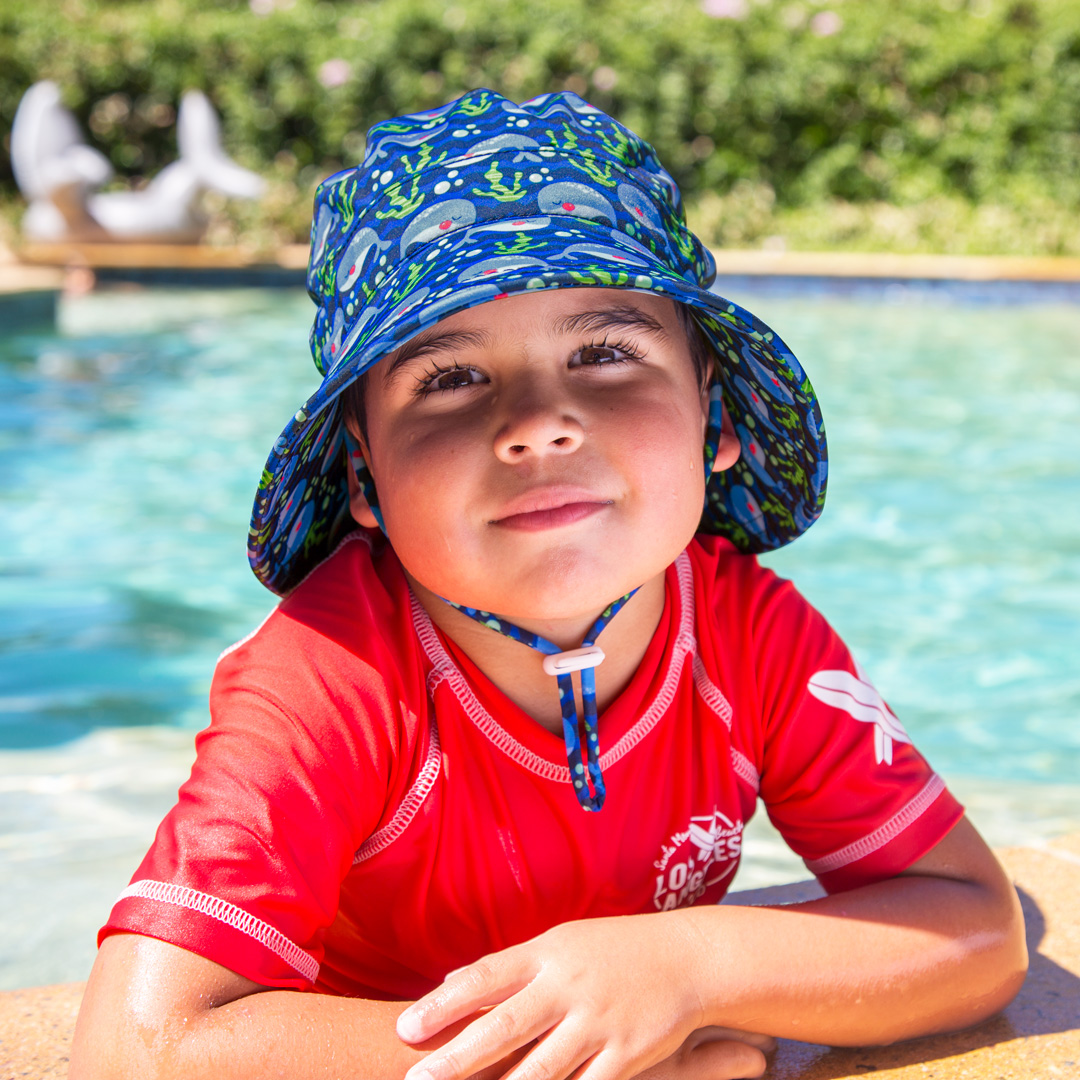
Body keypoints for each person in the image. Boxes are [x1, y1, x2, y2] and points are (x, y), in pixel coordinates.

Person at [70, 89, 1026, 1080]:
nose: (539, 423)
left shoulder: (751, 636)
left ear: (713, 422)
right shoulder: (331, 676)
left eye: (606, 353)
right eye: (450, 378)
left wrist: (689, 968)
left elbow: (976, 931)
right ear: (364, 474)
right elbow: (135, 1048)